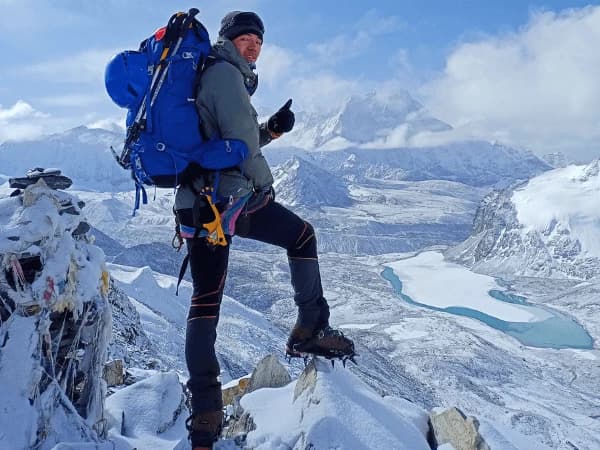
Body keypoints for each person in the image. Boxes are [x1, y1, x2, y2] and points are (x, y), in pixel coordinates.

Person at [175, 11, 355, 449]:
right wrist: (266, 185)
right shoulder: (224, 76)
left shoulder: (210, 73)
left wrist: (270, 130)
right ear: (228, 40)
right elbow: (242, 145)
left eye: (258, 39)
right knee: (301, 236)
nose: (253, 45)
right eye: (244, 38)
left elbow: (228, 141)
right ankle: (310, 328)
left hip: (198, 204)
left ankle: (205, 413)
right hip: (228, 200)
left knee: (204, 304)